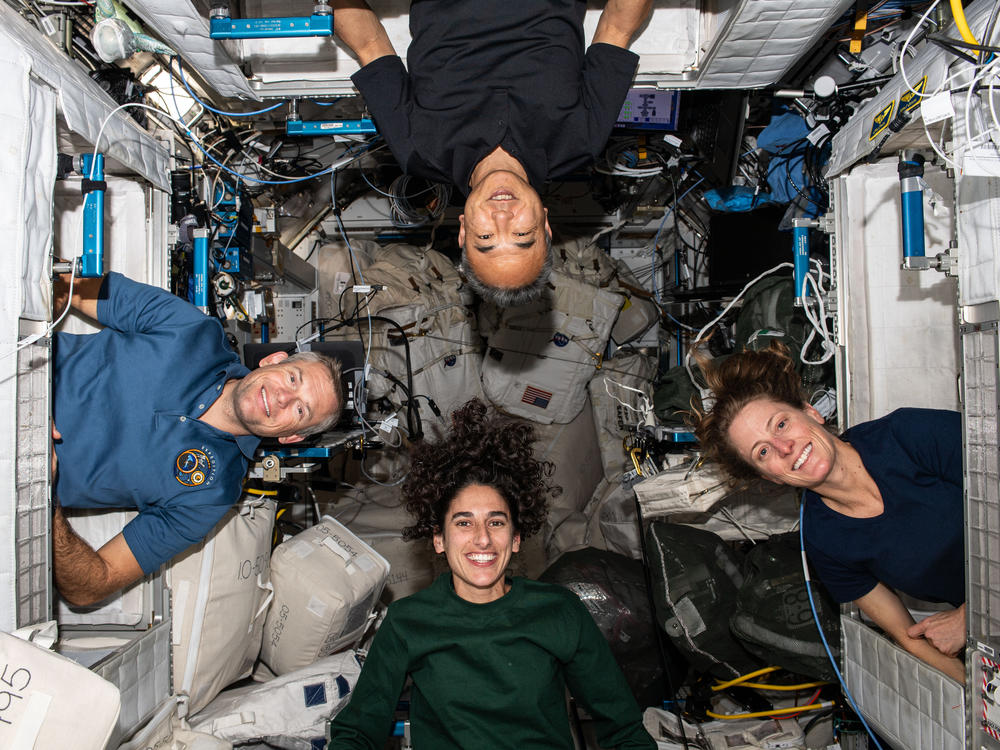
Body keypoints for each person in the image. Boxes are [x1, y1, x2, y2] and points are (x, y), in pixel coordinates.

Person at [327, 398, 654, 749]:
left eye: (496, 522)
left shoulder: (559, 611)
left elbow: (624, 731)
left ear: (515, 539)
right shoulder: (408, 622)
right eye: (464, 522)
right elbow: (357, 732)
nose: (482, 539)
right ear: (439, 539)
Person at [51, 271, 343, 607]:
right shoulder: (191, 329)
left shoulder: (210, 496)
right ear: (273, 359)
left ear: (291, 437)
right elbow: (69, 282)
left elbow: (90, 586)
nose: (282, 398)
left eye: (301, 410)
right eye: (293, 378)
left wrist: (47, 495)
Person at [332, 0, 652, 305]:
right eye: (522, 233)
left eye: (485, 237)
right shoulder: (582, 144)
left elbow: (369, 43)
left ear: (462, 230)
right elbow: (616, 27)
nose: (502, 217)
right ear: (545, 225)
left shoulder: (418, 150)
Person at [690, 343, 965, 683]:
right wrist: (978, 691)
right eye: (763, 452)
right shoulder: (824, 540)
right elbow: (910, 637)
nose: (784, 447)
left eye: (781, 425)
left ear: (811, 412)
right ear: (768, 477)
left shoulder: (906, 435)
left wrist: (971, 617)